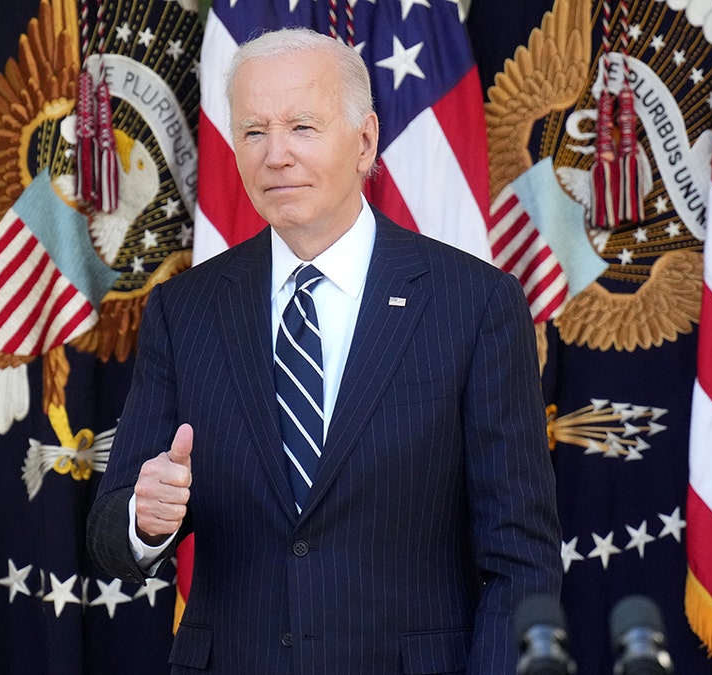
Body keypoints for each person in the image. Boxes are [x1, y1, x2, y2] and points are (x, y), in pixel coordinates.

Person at [87, 26, 561, 674]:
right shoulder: (186, 309)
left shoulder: (473, 305)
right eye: (254, 132)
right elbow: (112, 529)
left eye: (301, 128)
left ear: (364, 140)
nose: (274, 155)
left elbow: (521, 563)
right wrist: (145, 518)